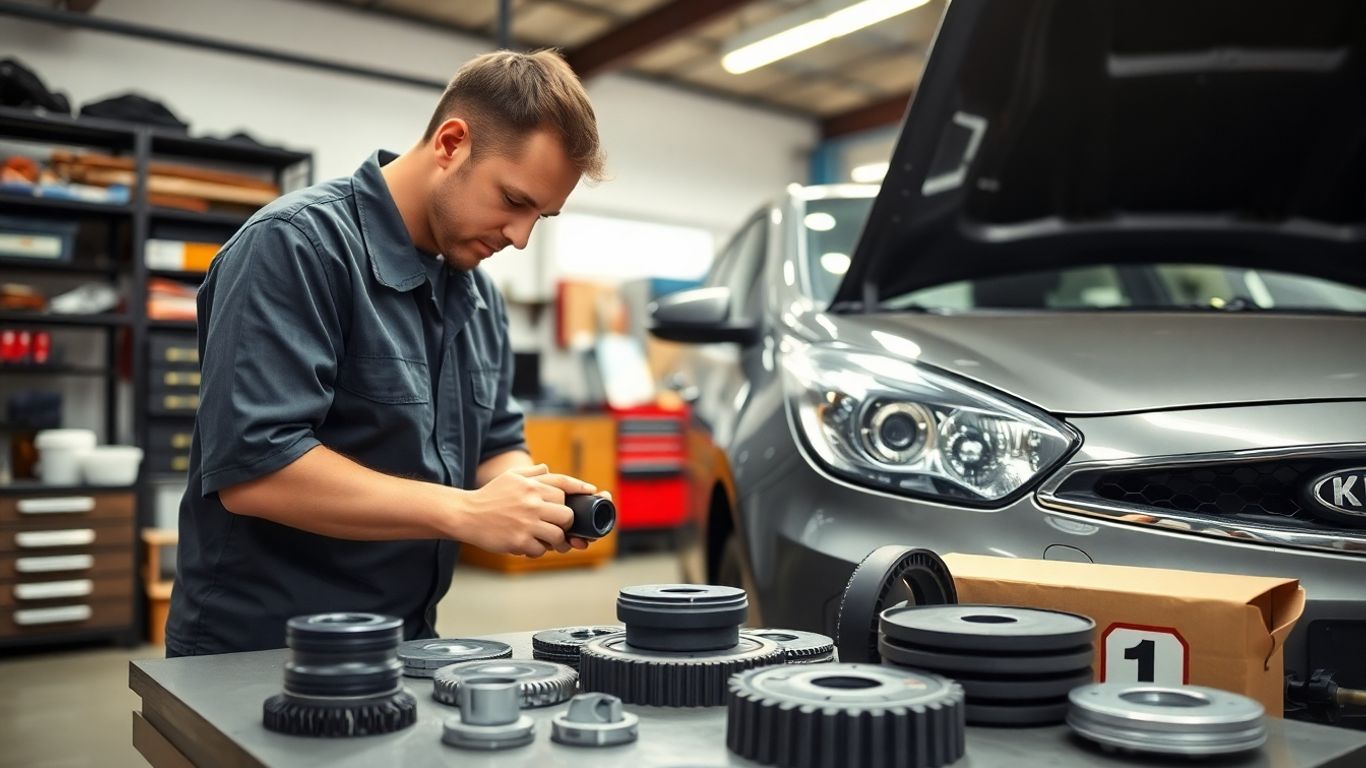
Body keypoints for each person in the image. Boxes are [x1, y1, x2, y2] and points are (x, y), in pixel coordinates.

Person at [165, 50, 608, 656]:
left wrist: (528, 499)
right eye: (513, 200)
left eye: (541, 216)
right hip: (264, 648)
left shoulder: (478, 296)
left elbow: (497, 444)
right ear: (452, 143)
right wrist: (464, 512)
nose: (521, 237)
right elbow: (256, 470)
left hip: (408, 642)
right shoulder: (295, 248)